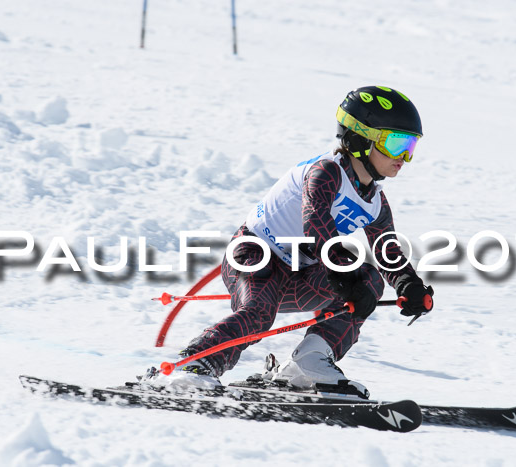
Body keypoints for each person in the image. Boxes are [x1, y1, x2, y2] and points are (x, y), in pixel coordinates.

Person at [154, 85, 434, 395]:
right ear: (360, 139)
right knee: (259, 313)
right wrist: (344, 274)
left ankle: (308, 362)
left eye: (411, 146)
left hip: (300, 273)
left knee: (368, 279)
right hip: (253, 255)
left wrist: (409, 284)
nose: (405, 158)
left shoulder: (376, 202)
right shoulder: (326, 173)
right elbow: (316, 224)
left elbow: (386, 249)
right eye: (397, 144)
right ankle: (193, 364)